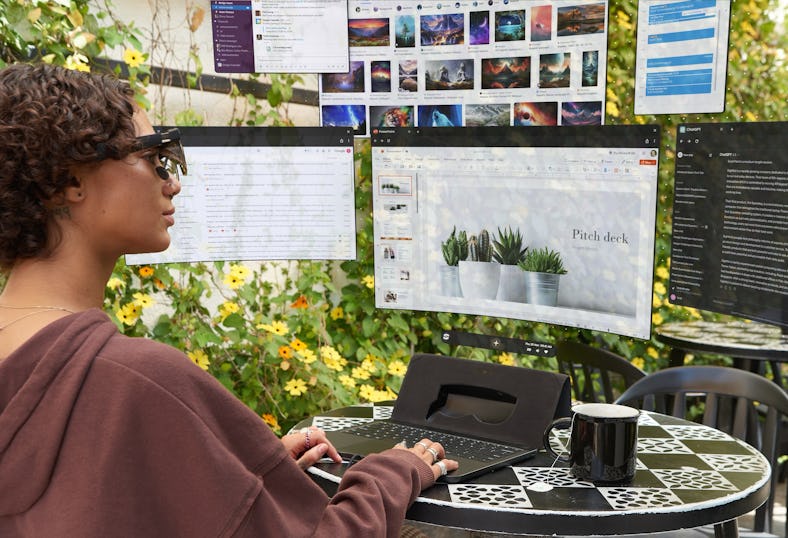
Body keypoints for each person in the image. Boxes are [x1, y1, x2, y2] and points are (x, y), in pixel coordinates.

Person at [0, 63, 458, 537]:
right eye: (156, 155)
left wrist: (224, 476)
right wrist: (391, 474)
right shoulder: (136, 380)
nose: (172, 181)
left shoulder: (36, 368)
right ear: (71, 182)